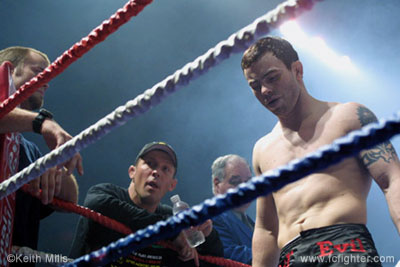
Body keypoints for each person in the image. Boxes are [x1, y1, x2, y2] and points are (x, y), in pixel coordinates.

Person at [240, 36, 400, 266]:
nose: (265, 90)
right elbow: (266, 229)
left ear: (297, 70)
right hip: (292, 257)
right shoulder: (262, 149)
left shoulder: (348, 116)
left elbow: (392, 179)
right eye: (255, 86)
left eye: (272, 78)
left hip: (344, 248)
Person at [69, 141, 223, 266]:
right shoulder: (105, 193)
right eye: (150, 164)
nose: (156, 172)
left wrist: (208, 237)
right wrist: (170, 230)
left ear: (172, 185)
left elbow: (211, 264)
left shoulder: (170, 217)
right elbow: (96, 204)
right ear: (132, 172)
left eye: (165, 169)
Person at [0, 46, 84, 265]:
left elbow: (69, 198)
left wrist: (56, 166)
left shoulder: (28, 151)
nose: (46, 82)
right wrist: (43, 123)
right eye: (39, 72)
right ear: (9, 72)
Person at [211, 154, 254, 265]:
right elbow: (227, 254)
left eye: (248, 182)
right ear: (217, 184)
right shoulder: (211, 218)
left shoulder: (250, 222)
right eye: (236, 182)